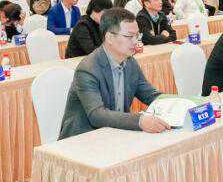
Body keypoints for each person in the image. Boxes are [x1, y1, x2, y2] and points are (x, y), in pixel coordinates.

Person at [58, 8, 167, 139]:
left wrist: (181, 102)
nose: (135, 42)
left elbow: (150, 95)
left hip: (116, 134)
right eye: (129, 36)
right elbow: (97, 115)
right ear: (109, 37)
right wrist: (139, 120)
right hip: (82, 138)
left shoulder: (130, 63)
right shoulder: (87, 69)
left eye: (137, 36)